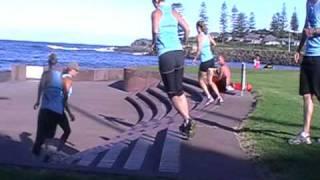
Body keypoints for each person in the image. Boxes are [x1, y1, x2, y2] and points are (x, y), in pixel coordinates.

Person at [151, 0, 194, 137]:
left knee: (171, 92)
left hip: (166, 55)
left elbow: (155, 30)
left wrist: (153, 43)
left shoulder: (156, 12)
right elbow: (187, 29)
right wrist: (184, 42)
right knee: (179, 89)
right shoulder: (174, 12)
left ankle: (187, 119)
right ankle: (187, 121)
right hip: (178, 53)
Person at [32, 54, 78, 158]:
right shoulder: (62, 78)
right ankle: (49, 155)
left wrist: (38, 101)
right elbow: (64, 97)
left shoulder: (46, 74)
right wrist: (69, 112)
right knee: (52, 134)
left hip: (45, 108)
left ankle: (38, 156)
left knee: (42, 133)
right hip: (57, 110)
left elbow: (40, 87)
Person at [289, 0, 320, 145]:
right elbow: (305, 28)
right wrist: (299, 49)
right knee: (307, 95)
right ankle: (305, 134)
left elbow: (311, 30)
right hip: (308, 55)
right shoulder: (308, 3)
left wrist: (314, 31)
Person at [193, 20, 223, 105]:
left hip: (204, 61)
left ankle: (209, 97)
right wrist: (207, 48)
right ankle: (219, 97)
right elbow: (214, 44)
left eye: (196, 28)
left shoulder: (199, 36)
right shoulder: (207, 35)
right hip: (211, 59)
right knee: (210, 81)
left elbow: (199, 49)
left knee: (201, 80)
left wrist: (195, 58)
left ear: (199, 27)